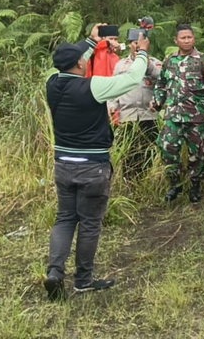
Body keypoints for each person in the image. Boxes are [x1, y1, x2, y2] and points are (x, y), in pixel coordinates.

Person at [43, 25, 151, 300]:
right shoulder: (93, 87)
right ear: (81, 63)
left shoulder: (52, 84)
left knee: (65, 218)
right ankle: (83, 279)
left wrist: (93, 40)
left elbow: (76, 58)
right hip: (92, 166)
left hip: (63, 164)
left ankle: (55, 272)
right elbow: (133, 78)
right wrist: (141, 54)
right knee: (90, 223)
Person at [152, 24, 204, 204]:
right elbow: (161, 84)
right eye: (182, 38)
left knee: (198, 153)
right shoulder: (169, 61)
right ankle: (174, 184)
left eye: (189, 37)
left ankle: (195, 185)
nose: (186, 40)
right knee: (167, 148)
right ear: (176, 40)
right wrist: (157, 102)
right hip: (173, 116)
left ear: (194, 39)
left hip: (196, 117)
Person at [107, 29, 163, 178]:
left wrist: (145, 62)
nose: (138, 46)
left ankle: (149, 181)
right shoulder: (121, 65)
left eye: (141, 43)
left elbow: (163, 81)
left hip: (149, 116)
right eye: (134, 42)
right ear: (129, 44)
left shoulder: (155, 63)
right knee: (129, 154)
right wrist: (112, 106)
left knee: (149, 151)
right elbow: (113, 87)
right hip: (127, 117)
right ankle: (129, 183)